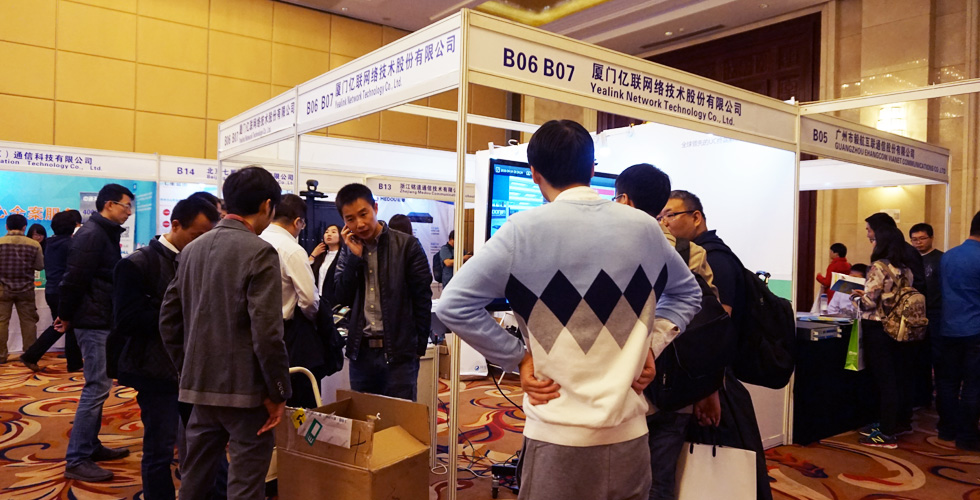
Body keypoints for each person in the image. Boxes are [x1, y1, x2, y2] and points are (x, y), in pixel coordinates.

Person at [437, 120, 701, 500]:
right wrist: (651, 344)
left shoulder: (521, 230)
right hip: (629, 435)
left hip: (556, 433)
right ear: (592, 169)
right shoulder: (645, 228)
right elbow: (688, 294)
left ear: (534, 174)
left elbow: (454, 305)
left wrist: (518, 358)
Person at [160, 166, 292, 499]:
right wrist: (278, 391)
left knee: (194, 481)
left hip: (200, 388)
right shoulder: (259, 251)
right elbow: (267, 333)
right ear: (266, 206)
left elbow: (168, 320)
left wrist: (188, 366)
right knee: (245, 487)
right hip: (247, 394)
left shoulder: (192, 249)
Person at [613, 163, 719, 500]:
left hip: (626, 382)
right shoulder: (693, 252)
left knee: (614, 480)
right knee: (660, 480)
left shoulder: (612, 247)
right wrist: (709, 388)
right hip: (678, 384)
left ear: (624, 200)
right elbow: (708, 324)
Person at [661, 189, 773, 500]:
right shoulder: (704, 253)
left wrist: (707, 390)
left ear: (696, 217)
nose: (665, 222)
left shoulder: (712, 258)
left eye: (670, 215)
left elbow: (711, 330)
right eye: (661, 216)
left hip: (711, 379)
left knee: (712, 470)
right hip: (704, 378)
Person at [113, 197, 219, 500]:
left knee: (204, 443)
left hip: (195, 370)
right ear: (175, 225)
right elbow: (126, 320)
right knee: (159, 450)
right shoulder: (136, 264)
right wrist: (177, 315)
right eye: (197, 236)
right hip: (155, 372)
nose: (201, 244)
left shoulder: (200, 262)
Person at [57, 183, 134, 482]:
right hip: (93, 321)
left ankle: (90, 445)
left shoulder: (103, 233)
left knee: (100, 385)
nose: (129, 212)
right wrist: (66, 315)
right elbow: (73, 279)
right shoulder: (92, 235)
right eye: (126, 205)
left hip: (100, 318)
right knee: (96, 387)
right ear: (109, 204)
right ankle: (77, 458)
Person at [333, 183, 433, 401]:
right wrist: (354, 259)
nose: (359, 224)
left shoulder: (407, 245)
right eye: (350, 219)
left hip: (399, 354)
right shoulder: (348, 250)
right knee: (363, 418)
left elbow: (422, 299)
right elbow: (340, 297)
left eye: (363, 214)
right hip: (361, 354)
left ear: (375, 208)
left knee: (399, 418)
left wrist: (418, 347)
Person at [852, 225, 916, 448]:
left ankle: (886, 433)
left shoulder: (879, 266)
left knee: (884, 381)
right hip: (899, 328)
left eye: (873, 238)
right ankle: (896, 423)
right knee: (897, 378)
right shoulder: (905, 269)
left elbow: (869, 302)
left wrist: (855, 298)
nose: (871, 241)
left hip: (878, 328)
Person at [260, 194, 325, 409]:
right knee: (299, 404)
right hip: (288, 336)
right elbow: (309, 300)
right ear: (298, 222)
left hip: (256, 335)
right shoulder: (292, 249)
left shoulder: (255, 240)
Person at [934, 211, 980, 450]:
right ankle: (967, 436)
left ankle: (946, 429)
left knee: (947, 382)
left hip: (948, 327)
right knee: (973, 384)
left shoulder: (948, 256)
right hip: (975, 329)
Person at [19, 211, 83, 372]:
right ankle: (32, 355)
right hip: (65, 290)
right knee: (63, 324)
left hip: (52, 289)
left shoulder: (49, 243)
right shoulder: (71, 244)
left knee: (64, 324)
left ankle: (73, 362)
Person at [0, 213, 44, 364]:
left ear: (7, 226)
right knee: (28, 322)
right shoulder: (34, 245)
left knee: (1, 322)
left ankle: (1, 355)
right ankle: (30, 355)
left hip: (2, 289)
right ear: (24, 227)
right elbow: (40, 266)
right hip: (26, 289)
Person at [911, 222, 942, 407]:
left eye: (922, 238)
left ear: (931, 238)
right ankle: (921, 396)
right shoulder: (909, 260)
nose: (918, 243)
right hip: (914, 314)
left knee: (937, 356)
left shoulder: (941, 259)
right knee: (918, 356)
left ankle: (940, 396)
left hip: (936, 312)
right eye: (914, 239)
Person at [311, 224, 343, 291]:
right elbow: (306, 272)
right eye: (326, 232)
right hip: (317, 295)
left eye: (333, 232)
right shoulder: (321, 255)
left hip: (335, 296)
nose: (329, 234)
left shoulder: (343, 256)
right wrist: (313, 255)